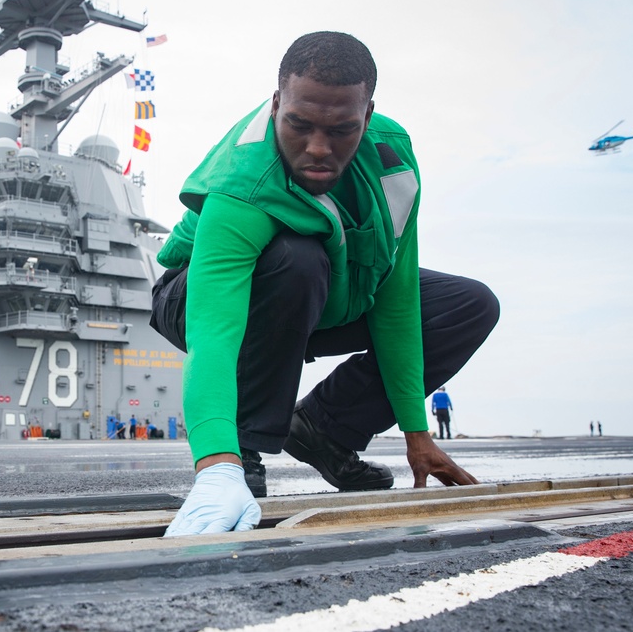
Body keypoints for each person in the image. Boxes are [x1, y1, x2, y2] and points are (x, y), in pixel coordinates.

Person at [150, 31, 499, 536]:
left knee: (468, 304)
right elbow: (214, 334)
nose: (318, 148)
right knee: (296, 259)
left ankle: (327, 430)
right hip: (198, 296)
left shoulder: (393, 162)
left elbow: (395, 300)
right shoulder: (241, 183)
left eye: (341, 130)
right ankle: (244, 451)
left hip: (324, 295)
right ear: (275, 105)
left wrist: (416, 435)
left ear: (368, 114)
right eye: (299, 124)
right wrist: (217, 463)